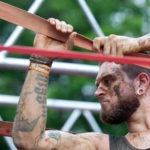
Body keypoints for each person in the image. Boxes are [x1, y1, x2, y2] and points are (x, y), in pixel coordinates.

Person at [12, 18, 150, 150]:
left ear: (141, 84)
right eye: (98, 85)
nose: (97, 93)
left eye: (108, 81)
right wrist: (41, 60)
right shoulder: (100, 146)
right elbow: (30, 141)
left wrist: (139, 43)